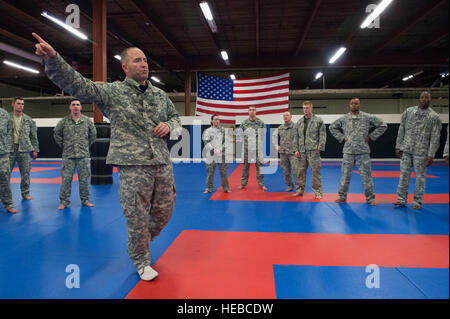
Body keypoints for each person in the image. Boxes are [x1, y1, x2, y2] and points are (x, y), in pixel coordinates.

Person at [33, 32, 181, 281]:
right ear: (125, 67)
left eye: (145, 60)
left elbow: (175, 119)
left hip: (161, 162)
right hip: (133, 166)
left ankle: (139, 241)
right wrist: (54, 59)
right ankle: (141, 259)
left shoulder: (160, 96)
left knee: (164, 212)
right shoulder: (112, 92)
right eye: (137, 60)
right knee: (135, 215)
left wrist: (169, 125)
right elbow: (78, 85)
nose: (144, 63)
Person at [329, 98, 387, 205]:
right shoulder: (344, 118)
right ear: (349, 105)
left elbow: (383, 125)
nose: (354, 105)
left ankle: (370, 198)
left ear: (359, 105)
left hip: (363, 151)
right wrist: (342, 138)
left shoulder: (367, 117)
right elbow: (332, 127)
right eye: (352, 103)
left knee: (366, 176)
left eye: (356, 103)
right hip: (348, 151)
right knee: (345, 175)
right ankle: (342, 196)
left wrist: (371, 137)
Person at [394, 91, 442, 209]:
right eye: (422, 97)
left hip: (421, 153)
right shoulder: (409, 112)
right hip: (406, 149)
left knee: (420, 177)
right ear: (419, 99)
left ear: (430, 100)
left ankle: (417, 201)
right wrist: (398, 146)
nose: (424, 99)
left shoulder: (434, 117)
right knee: (403, 175)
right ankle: (401, 199)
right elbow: (402, 130)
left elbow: (435, 137)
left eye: (427, 97)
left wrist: (431, 155)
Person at [54, 99, 97, 210]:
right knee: (66, 180)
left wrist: (85, 146)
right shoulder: (64, 121)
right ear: (70, 107)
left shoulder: (87, 121)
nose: (76, 107)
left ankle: (85, 200)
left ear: (81, 107)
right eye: (73, 105)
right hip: (68, 156)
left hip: (83, 155)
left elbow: (93, 135)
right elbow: (57, 134)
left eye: (78, 104)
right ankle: (64, 201)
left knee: (84, 180)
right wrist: (64, 146)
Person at [9, 97, 39, 200]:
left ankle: (25, 193)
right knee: (4, 173)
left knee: (26, 173)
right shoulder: (6, 118)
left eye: (22, 104)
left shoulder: (28, 120)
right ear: (13, 104)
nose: (20, 105)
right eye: (18, 103)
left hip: (25, 149)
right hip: (9, 149)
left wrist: (35, 150)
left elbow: (33, 136)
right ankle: (2, 194)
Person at [295, 101, 326, 198]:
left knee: (315, 172)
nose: (305, 110)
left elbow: (322, 135)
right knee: (300, 172)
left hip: (313, 151)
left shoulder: (318, 120)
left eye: (307, 108)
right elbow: (296, 137)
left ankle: (318, 192)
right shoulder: (299, 122)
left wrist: (319, 148)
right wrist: (296, 150)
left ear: (311, 108)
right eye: (304, 108)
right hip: (302, 151)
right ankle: (300, 190)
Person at [237, 105, 266, 190]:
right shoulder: (244, 123)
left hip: (257, 148)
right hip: (247, 148)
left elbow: (263, 134)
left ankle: (261, 184)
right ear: (248, 112)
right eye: (250, 110)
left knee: (259, 167)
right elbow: (240, 134)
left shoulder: (260, 122)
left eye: (253, 110)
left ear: (255, 111)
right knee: (245, 167)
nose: (252, 111)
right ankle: (243, 184)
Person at [202, 114, 231, 193]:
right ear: (211, 121)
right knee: (210, 172)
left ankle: (226, 188)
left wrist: (220, 150)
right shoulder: (207, 131)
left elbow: (227, 142)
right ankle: (208, 188)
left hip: (222, 155)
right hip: (211, 155)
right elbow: (206, 142)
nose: (217, 121)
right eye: (215, 119)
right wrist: (214, 150)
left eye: (218, 119)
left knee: (224, 172)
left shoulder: (223, 130)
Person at [272, 111, 300, 192]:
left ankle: (299, 188)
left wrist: (298, 150)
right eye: (284, 115)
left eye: (287, 115)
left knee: (296, 171)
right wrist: (276, 146)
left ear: (291, 116)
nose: (285, 117)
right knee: (286, 171)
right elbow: (273, 137)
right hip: (283, 153)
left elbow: (301, 138)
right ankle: (290, 185)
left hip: (293, 153)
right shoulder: (280, 128)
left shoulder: (296, 127)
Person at [0, 106, 17, 213]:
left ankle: (8, 204)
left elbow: (9, 131)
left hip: (2, 152)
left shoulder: (4, 113)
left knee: (5, 179)